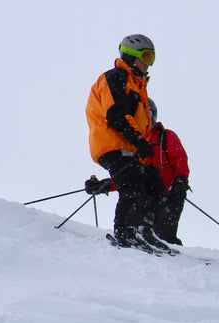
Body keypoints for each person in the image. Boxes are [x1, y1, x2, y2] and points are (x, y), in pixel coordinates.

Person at [86, 34, 169, 250]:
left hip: (130, 147)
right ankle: (125, 231)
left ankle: (144, 229)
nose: (150, 64)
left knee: (155, 186)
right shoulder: (115, 78)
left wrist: (139, 143)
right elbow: (116, 115)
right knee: (131, 184)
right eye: (147, 57)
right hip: (112, 143)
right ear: (132, 57)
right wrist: (139, 140)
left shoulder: (138, 85)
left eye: (153, 58)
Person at [144, 98, 191, 245]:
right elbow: (127, 173)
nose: (146, 119)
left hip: (169, 194)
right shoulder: (134, 141)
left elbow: (180, 160)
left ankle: (172, 252)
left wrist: (181, 180)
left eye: (149, 115)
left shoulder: (165, 136)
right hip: (145, 194)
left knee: (164, 233)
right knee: (143, 229)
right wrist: (107, 185)